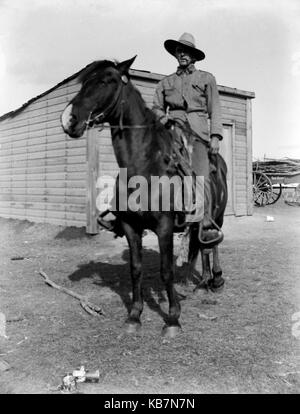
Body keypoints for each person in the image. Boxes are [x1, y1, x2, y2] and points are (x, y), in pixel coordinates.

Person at [152, 32, 223, 240]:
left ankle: (207, 220)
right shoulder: (165, 83)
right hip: (171, 133)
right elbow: (156, 107)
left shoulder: (206, 79)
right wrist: (163, 119)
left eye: (186, 51)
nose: (182, 54)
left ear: (193, 55)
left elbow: (215, 109)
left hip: (197, 136)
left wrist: (216, 136)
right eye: (179, 51)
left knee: (201, 174)